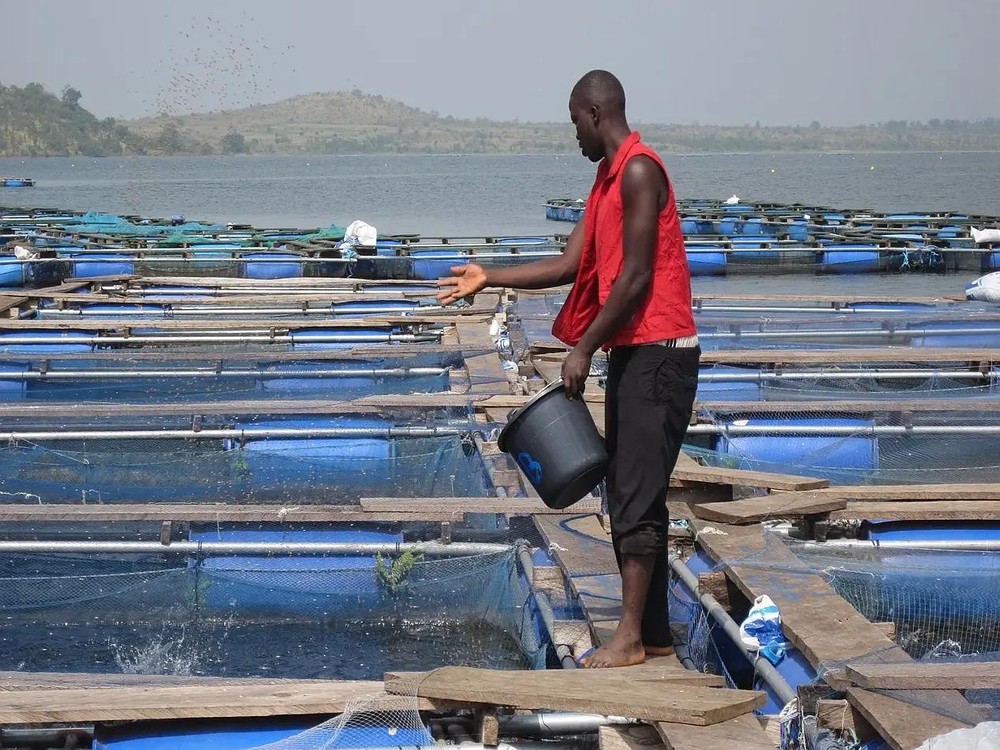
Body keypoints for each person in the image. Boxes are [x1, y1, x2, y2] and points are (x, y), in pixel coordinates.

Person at [437, 70, 699, 668]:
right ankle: (653, 635)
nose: (574, 135)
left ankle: (629, 638)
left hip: (662, 354)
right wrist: (489, 276)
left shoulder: (638, 170)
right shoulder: (606, 179)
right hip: (636, 353)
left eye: (575, 122)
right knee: (635, 490)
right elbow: (567, 263)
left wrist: (582, 349)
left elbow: (635, 276)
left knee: (634, 493)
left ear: (596, 112)